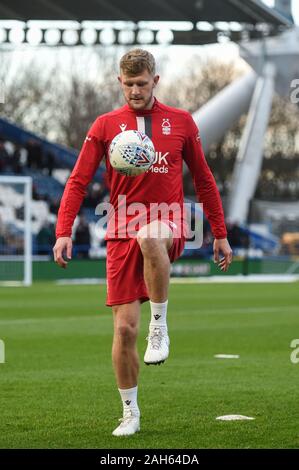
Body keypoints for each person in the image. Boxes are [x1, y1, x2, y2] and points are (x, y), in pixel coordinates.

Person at [53, 49, 233, 437]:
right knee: (123, 333)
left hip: (167, 220)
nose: (135, 90)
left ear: (156, 80)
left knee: (150, 236)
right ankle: (130, 411)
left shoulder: (182, 122)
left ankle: (160, 324)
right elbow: (78, 181)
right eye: (129, 84)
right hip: (120, 229)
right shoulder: (104, 126)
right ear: (120, 82)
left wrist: (219, 232)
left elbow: (203, 179)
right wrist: (63, 229)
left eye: (142, 83)